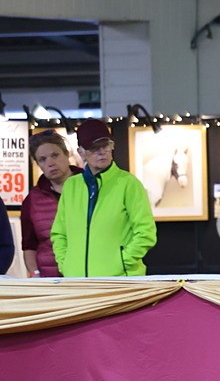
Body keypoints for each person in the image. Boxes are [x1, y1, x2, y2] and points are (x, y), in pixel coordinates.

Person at [50, 118, 156, 277]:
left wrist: (121, 262)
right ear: (81, 152)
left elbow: (146, 232)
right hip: (77, 281)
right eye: (94, 148)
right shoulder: (71, 186)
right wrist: (66, 265)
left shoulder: (129, 184)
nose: (102, 152)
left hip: (119, 280)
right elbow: (59, 233)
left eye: (106, 145)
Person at [21, 130, 82, 277]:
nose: (50, 163)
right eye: (42, 159)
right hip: (50, 278)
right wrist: (35, 274)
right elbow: (29, 246)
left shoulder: (91, 186)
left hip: (87, 274)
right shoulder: (32, 200)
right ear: (38, 164)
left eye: (55, 155)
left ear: (67, 154)